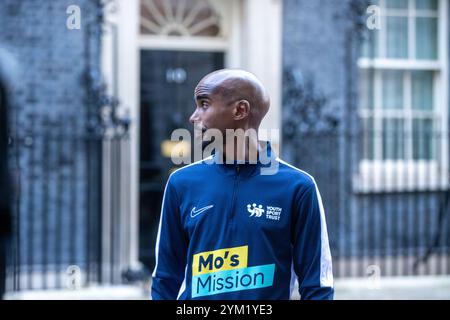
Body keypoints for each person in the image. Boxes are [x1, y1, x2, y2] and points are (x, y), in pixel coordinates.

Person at [151, 69, 333, 300]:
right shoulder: (181, 183)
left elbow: (317, 285)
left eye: (204, 104)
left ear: (240, 110)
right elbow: (166, 278)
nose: (193, 116)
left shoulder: (298, 187)